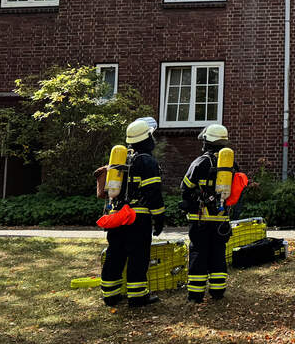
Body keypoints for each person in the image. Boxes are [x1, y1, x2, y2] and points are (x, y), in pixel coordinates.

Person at [100, 117, 165, 307]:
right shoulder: (147, 161)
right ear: (146, 139)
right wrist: (159, 217)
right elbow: (153, 194)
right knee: (138, 256)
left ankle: (110, 295)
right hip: (138, 218)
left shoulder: (122, 159)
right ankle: (137, 297)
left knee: (115, 254)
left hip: (118, 216)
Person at [179, 123, 236, 303]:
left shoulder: (200, 162)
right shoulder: (232, 164)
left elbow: (185, 187)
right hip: (221, 219)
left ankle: (195, 294)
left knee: (199, 253)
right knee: (218, 253)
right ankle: (218, 291)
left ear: (207, 141)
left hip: (200, 218)